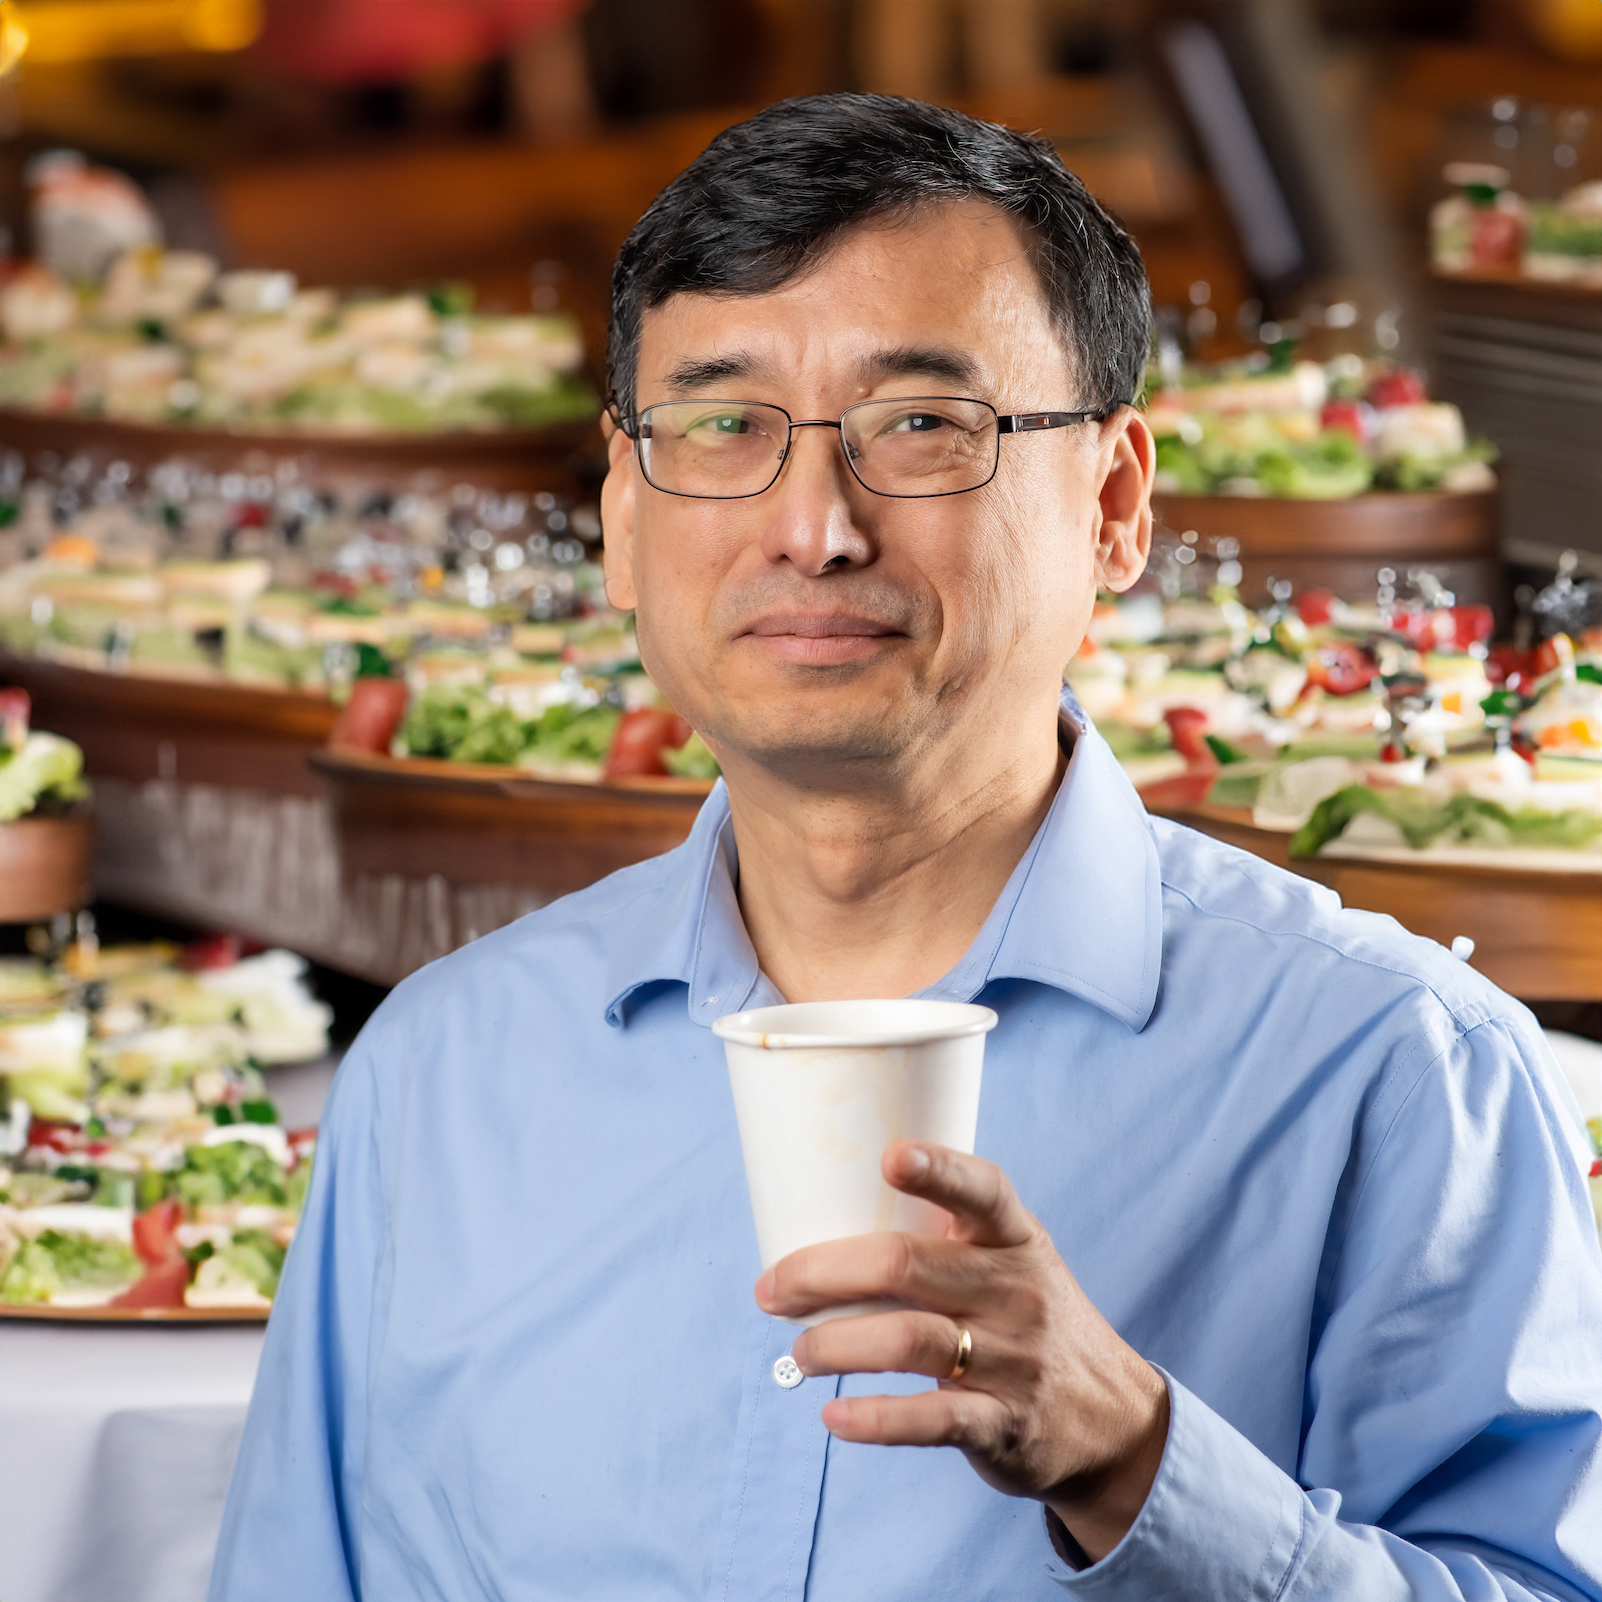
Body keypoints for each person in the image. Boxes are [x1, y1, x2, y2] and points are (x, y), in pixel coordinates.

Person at [210, 95, 1602, 1600]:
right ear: (620, 509)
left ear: (1117, 503)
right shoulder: (439, 1077)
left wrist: (1136, 1460)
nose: (811, 526)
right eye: (723, 424)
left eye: (922, 425)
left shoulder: (1395, 1068)